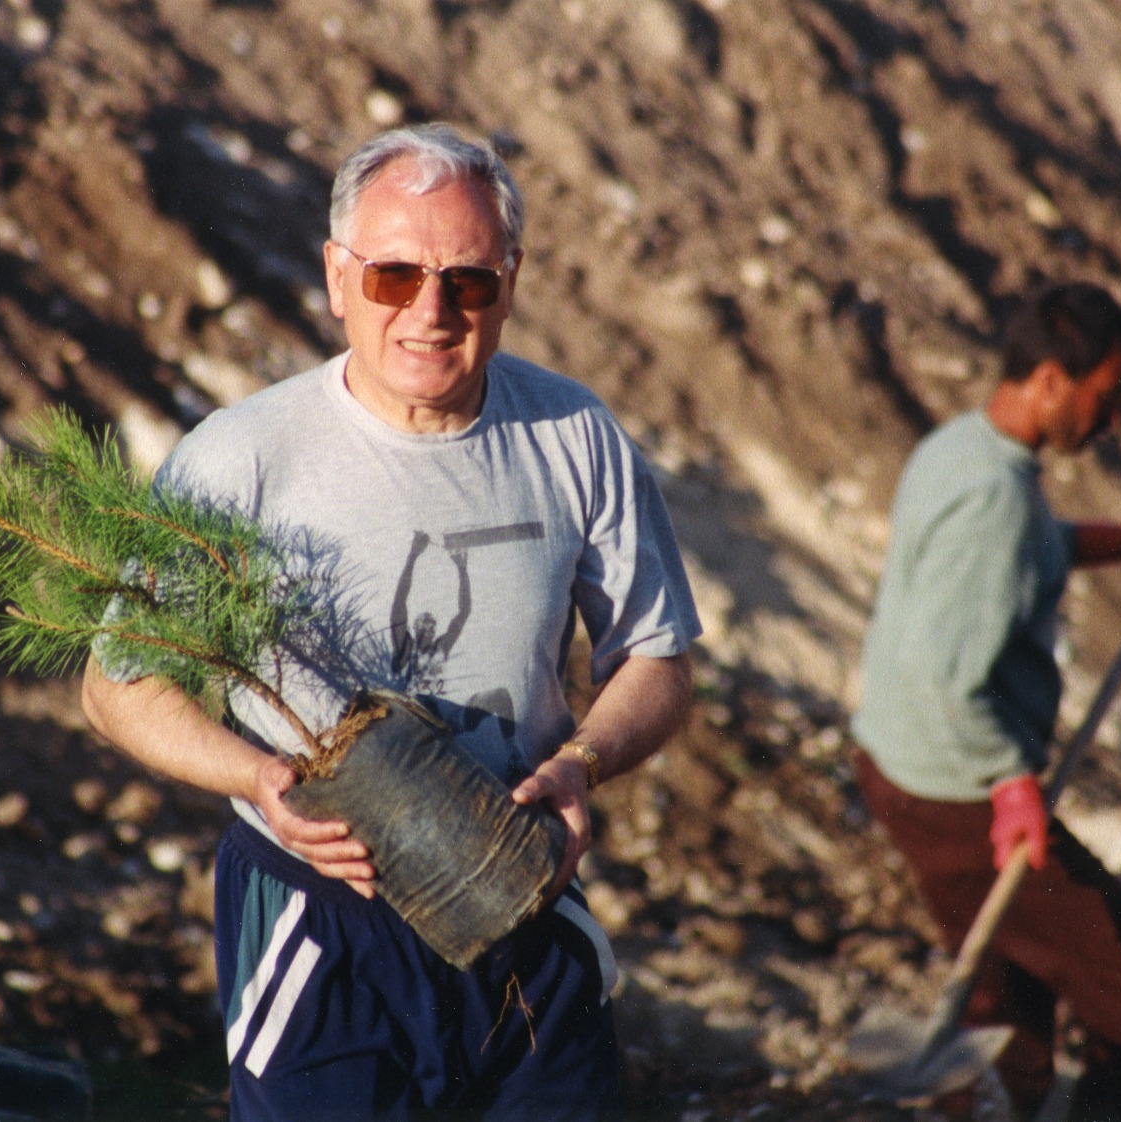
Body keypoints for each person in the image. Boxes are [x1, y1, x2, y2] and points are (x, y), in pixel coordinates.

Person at [81, 123, 701, 1120]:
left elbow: (658, 660)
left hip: (519, 892)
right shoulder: (244, 459)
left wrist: (583, 762)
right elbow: (118, 686)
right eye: (395, 275)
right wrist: (255, 777)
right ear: (338, 277)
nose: (430, 310)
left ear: (511, 280)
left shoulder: (574, 436)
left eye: (468, 280)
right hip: (322, 916)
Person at [849, 281, 1121, 1120]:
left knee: (1006, 1017)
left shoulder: (961, 450)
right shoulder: (993, 498)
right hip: (959, 795)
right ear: (1053, 379)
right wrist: (1011, 781)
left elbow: (1029, 549)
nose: (1114, 418)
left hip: (903, 768)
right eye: (1107, 394)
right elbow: (944, 675)